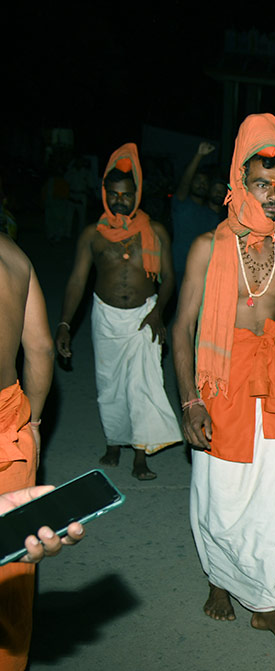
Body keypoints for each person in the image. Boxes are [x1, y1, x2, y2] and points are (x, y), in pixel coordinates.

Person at [172, 113, 275, 640]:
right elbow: (182, 327)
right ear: (240, 183)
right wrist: (189, 402)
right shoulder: (208, 249)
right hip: (221, 387)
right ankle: (218, 579)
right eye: (263, 184)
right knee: (220, 493)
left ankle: (264, 598)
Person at [57, 143, 181, 480]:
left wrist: (158, 314)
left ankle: (140, 454)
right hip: (106, 316)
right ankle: (115, 441)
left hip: (145, 314)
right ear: (104, 194)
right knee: (109, 384)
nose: (119, 201)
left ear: (136, 194)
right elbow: (76, 282)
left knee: (143, 384)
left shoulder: (154, 232)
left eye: (125, 195)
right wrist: (65, 324)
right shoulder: (92, 235)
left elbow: (169, 278)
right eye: (112, 194)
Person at [0, 235, 57, 671]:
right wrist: (32, 421)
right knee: (10, 582)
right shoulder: (15, 257)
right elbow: (38, 348)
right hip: (7, 430)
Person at [171, 141, 222, 279]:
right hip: (181, 271)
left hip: (206, 273)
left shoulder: (212, 215)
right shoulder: (181, 205)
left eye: (205, 182)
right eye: (198, 180)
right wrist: (199, 155)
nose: (201, 184)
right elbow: (184, 183)